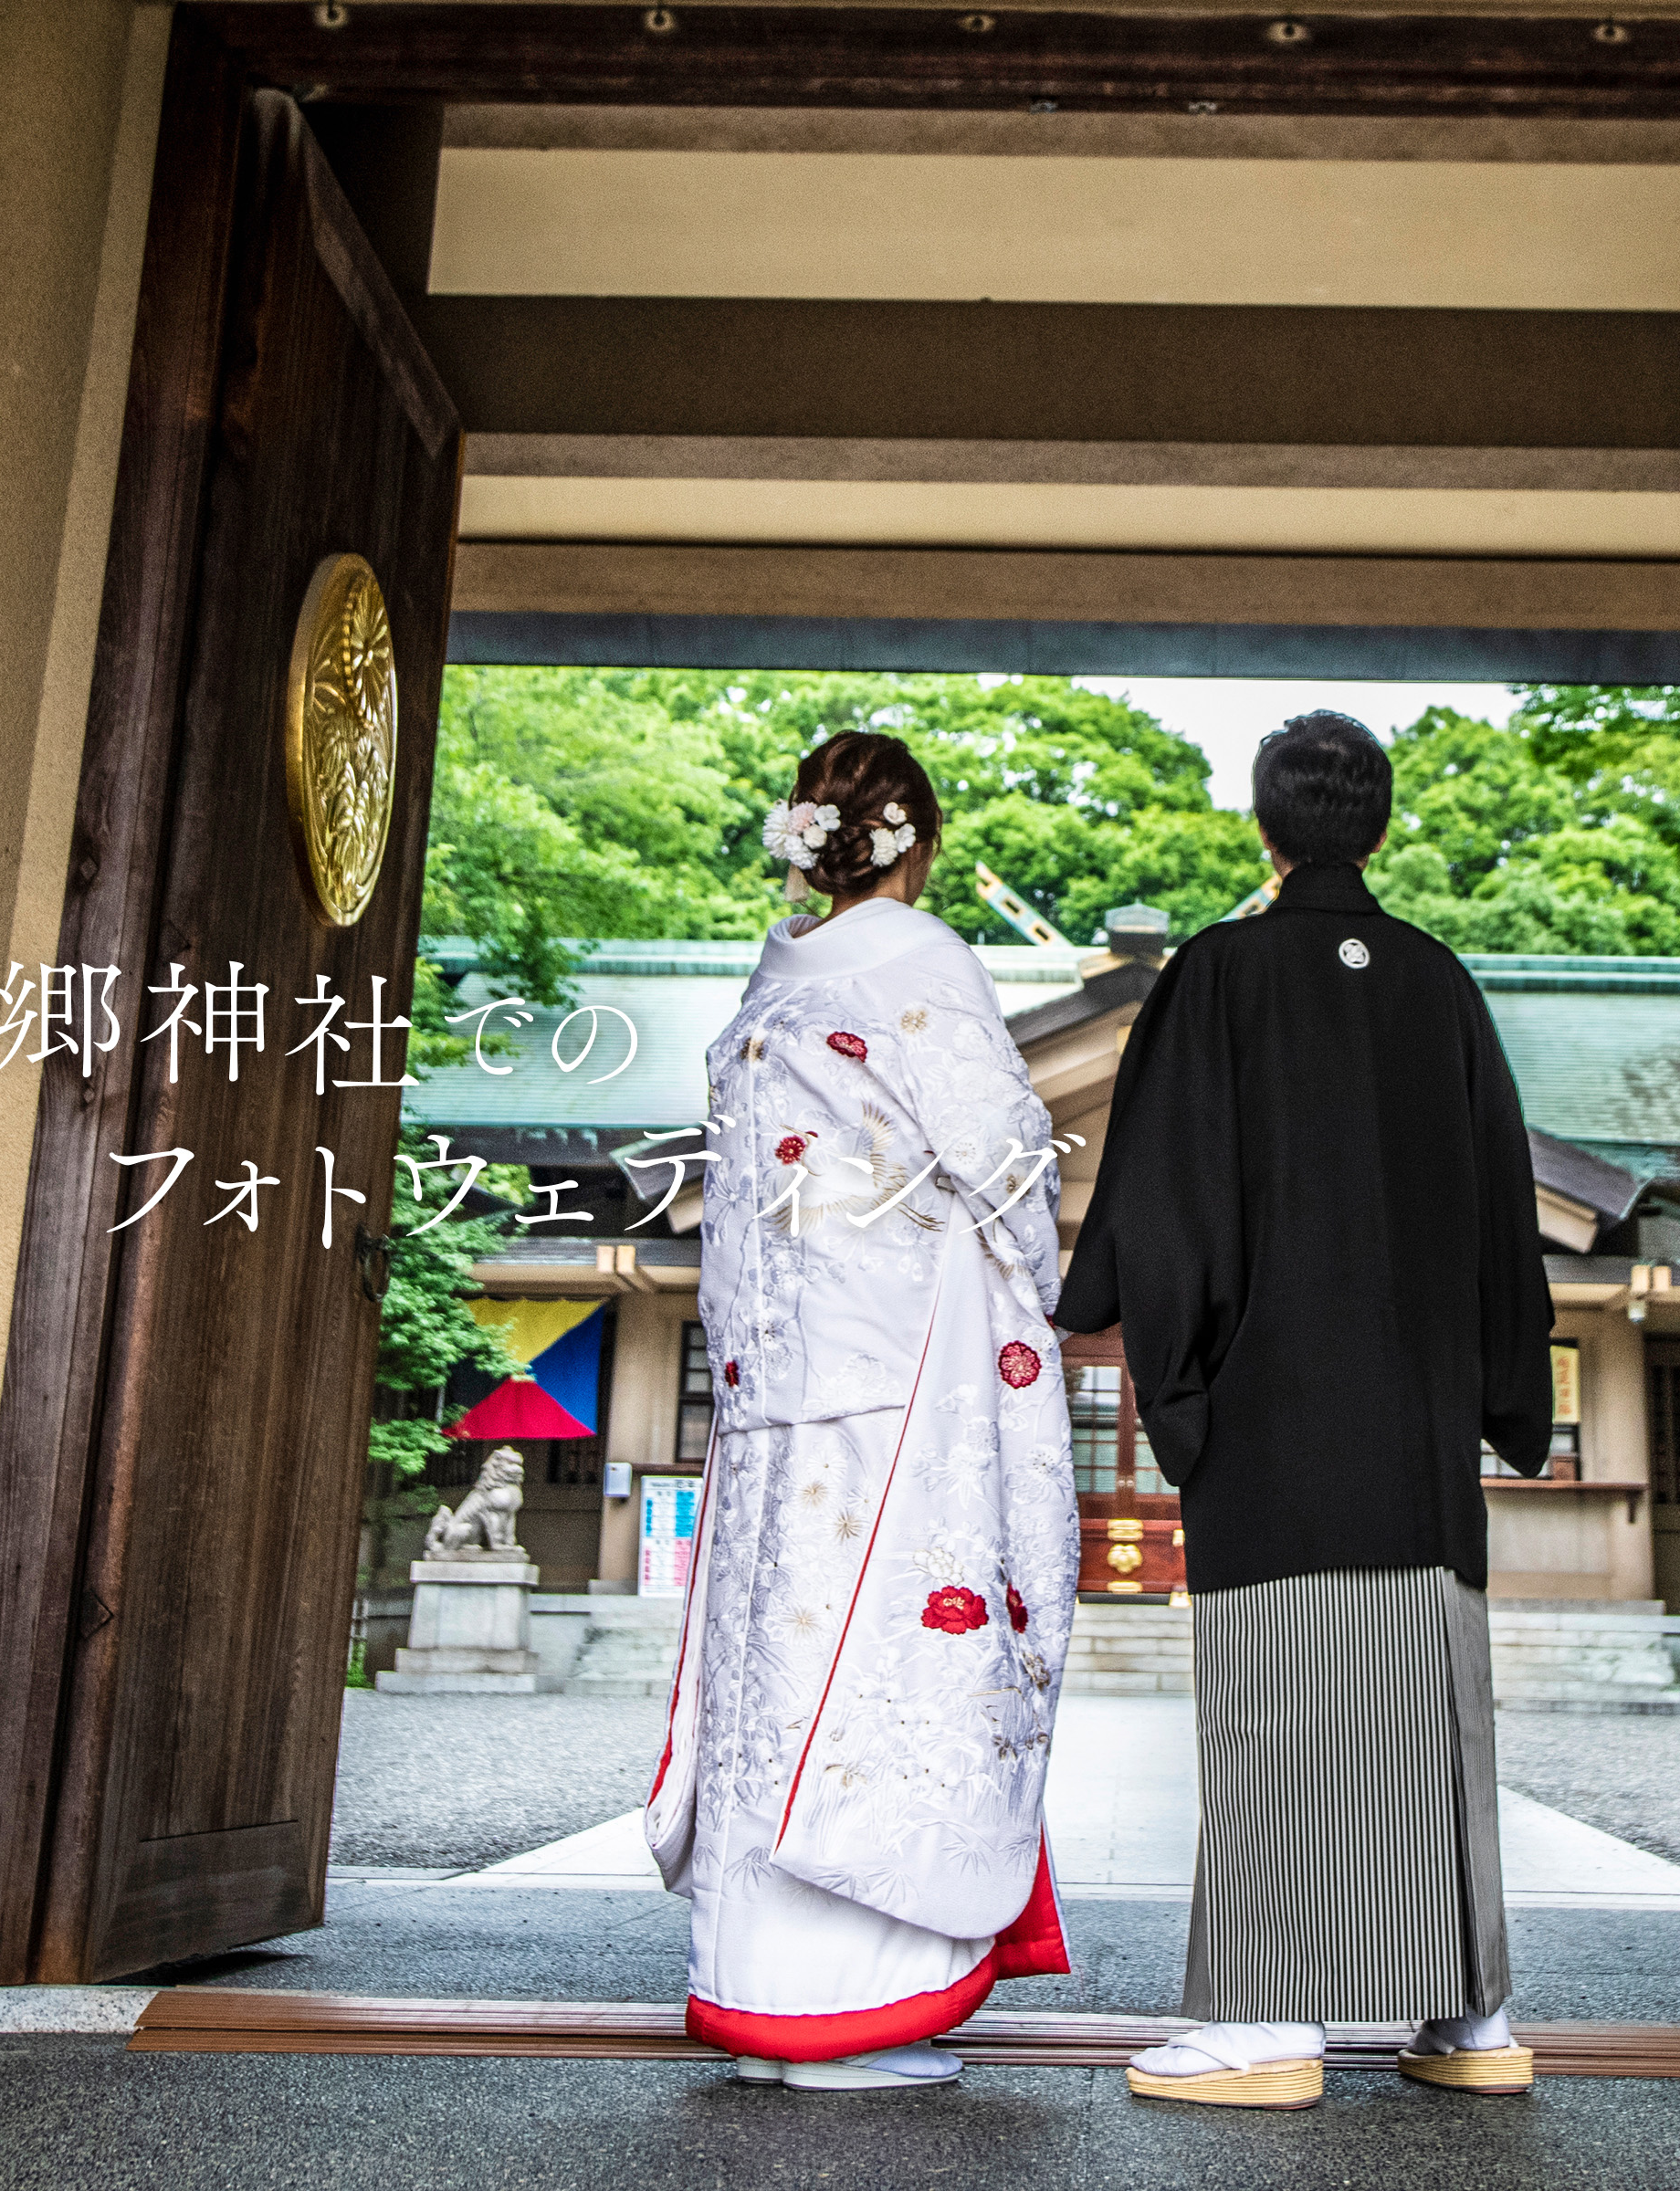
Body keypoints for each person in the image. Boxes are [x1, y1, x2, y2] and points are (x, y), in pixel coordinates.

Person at [1058, 711, 1556, 2109]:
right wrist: (1502, 1393)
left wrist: (1166, 1363)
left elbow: (1166, 1203)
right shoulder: (1437, 982)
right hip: (1415, 1431)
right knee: (1433, 1707)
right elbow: (1499, 1211)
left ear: (1268, 832)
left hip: (1277, 1414)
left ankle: (1267, 2022)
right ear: (1377, 829)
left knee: (1281, 1708)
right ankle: (1472, 2018)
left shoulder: (1221, 975)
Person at [649, 730, 1080, 2092]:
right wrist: (1050, 1295)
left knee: (777, 1655)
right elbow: (1005, 1159)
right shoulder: (924, 965)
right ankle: (857, 2002)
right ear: (921, 840)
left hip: (781, 1370)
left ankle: (761, 1990)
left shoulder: (766, 991)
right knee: (893, 1651)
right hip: (906, 1367)